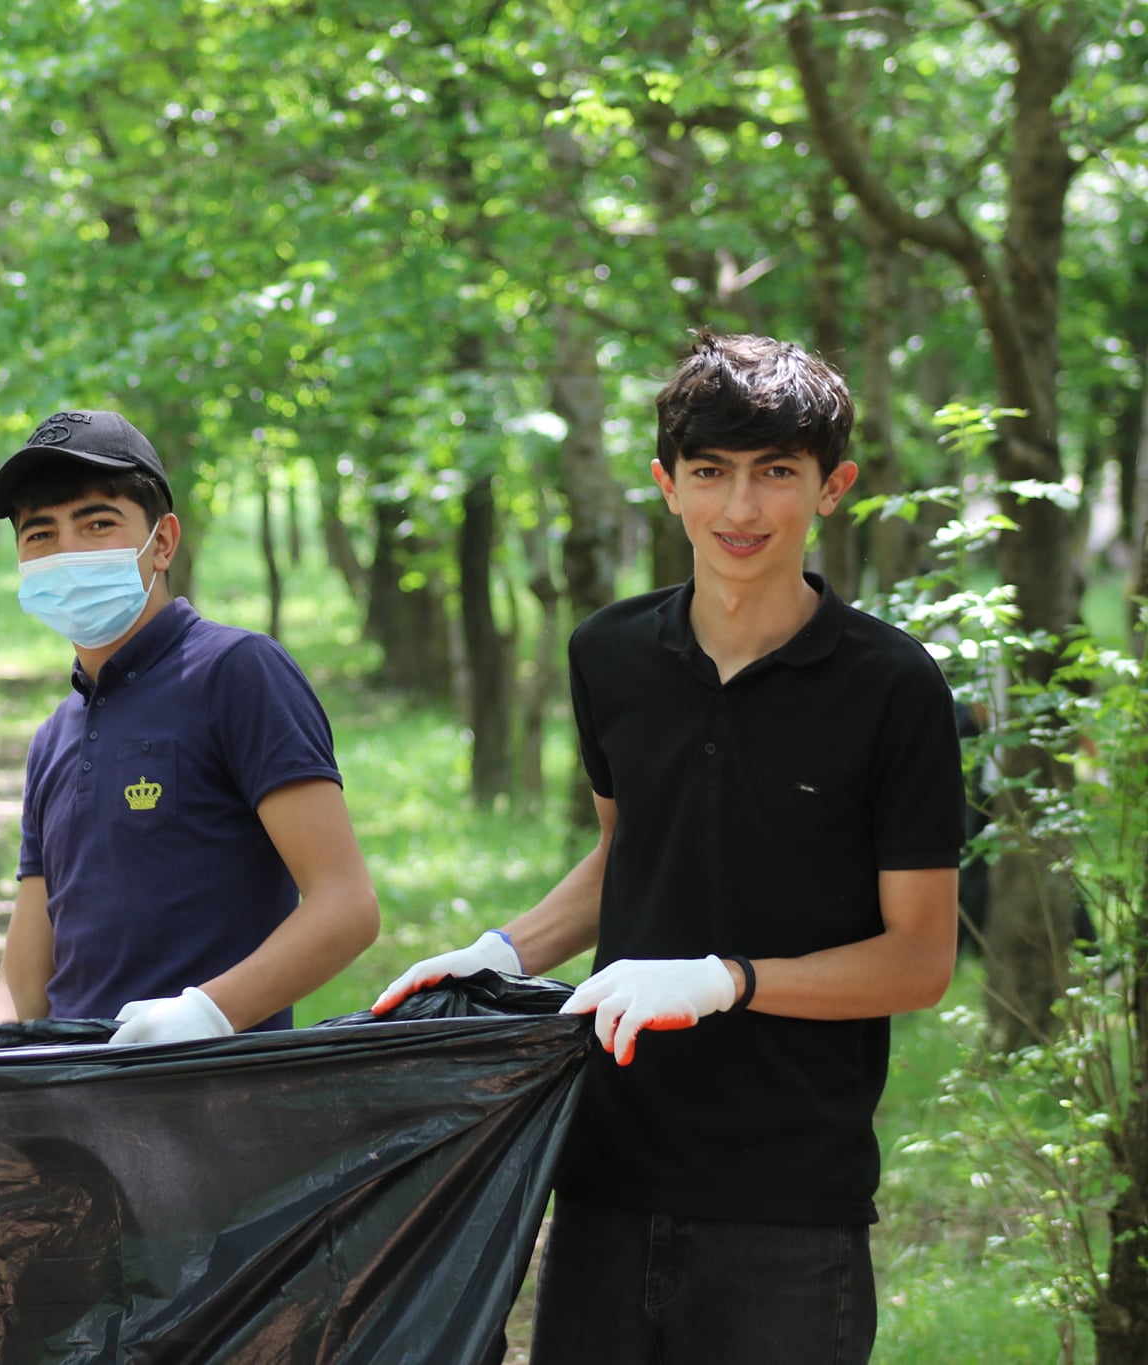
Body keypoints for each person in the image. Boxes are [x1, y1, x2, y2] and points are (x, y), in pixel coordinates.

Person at [373, 333, 964, 1363]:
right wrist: (501, 952)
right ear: (667, 485)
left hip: (789, 1195)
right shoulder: (607, 654)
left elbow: (918, 959)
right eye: (710, 472)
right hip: (604, 1166)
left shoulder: (894, 687)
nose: (740, 507)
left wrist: (726, 979)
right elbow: (628, 855)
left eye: (775, 472)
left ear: (831, 489)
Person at [0, 409, 379, 1044]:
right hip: (71, 1090)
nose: (67, 551)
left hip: (211, 1090)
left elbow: (346, 905)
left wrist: (207, 1014)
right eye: (40, 533)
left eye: (98, 523)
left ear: (161, 542)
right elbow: (21, 985)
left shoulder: (237, 673)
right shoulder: (53, 737)